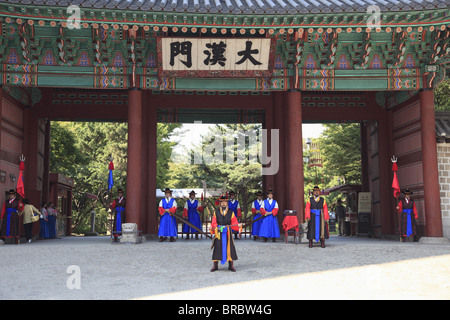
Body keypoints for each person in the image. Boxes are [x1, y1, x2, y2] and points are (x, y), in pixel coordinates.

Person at [210, 195, 242, 272]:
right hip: (219, 232)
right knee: (217, 248)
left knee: (229, 248)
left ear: (227, 203)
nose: (223, 204)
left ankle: (230, 266)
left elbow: (234, 222)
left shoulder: (231, 212)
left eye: (225, 202)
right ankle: (215, 266)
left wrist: (238, 226)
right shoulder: (216, 212)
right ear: (220, 203)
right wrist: (213, 227)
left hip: (228, 232)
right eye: (222, 202)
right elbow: (214, 222)